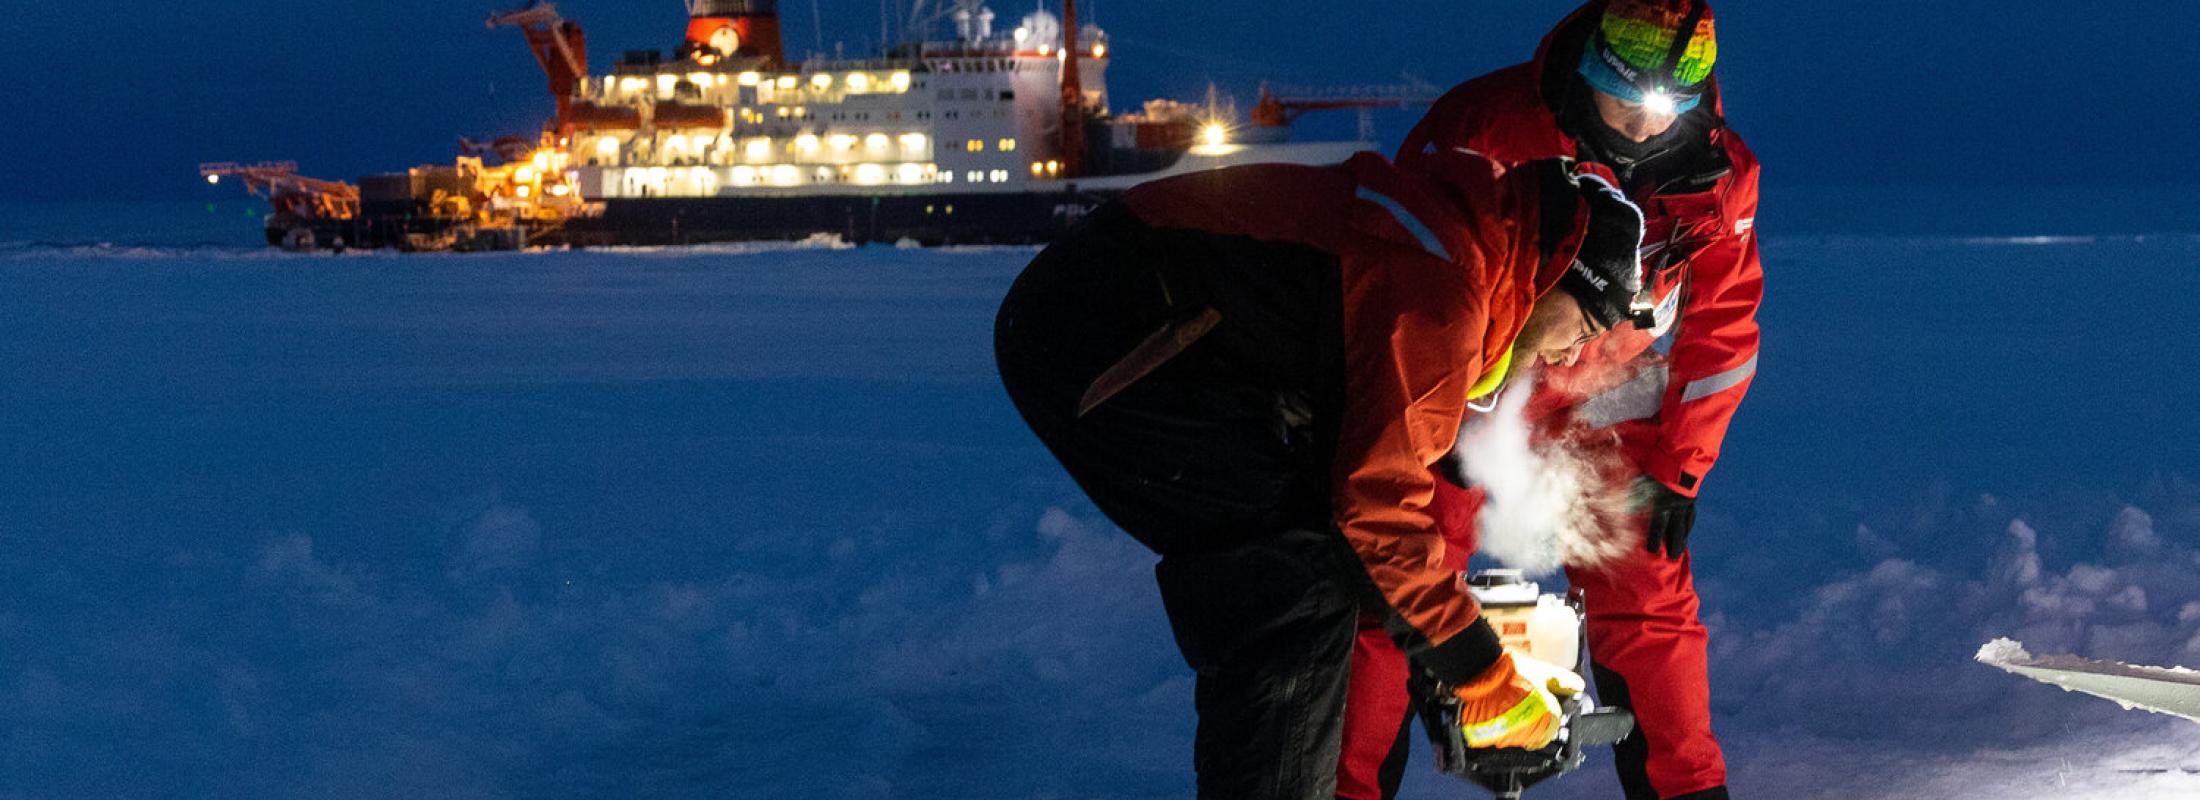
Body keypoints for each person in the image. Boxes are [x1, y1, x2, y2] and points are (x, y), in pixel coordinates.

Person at [993, 150, 1653, 799]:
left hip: (1140, 327)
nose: (1570, 354)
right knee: (1292, 588)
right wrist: (1478, 671)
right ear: (1554, 276)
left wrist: (1444, 635)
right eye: (1585, 326)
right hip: (1100, 332)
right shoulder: (1442, 293)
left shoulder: (1461, 253)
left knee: (1318, 565)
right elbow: (1374, 504)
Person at [1335, 2, 1762, 799]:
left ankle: (1688, 793)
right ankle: (1345, 788)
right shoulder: (1483, 127)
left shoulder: (1723, 174)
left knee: (1649, 599)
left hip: (1605, 392)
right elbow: (1412, 276)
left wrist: (1681, 467)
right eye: (1625, 97)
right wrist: (1434, 414)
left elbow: (1726, 329)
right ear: (1592, 67)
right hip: (1472, 380)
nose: (1642, 124)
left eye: (1664, 107)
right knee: (1393, 588)